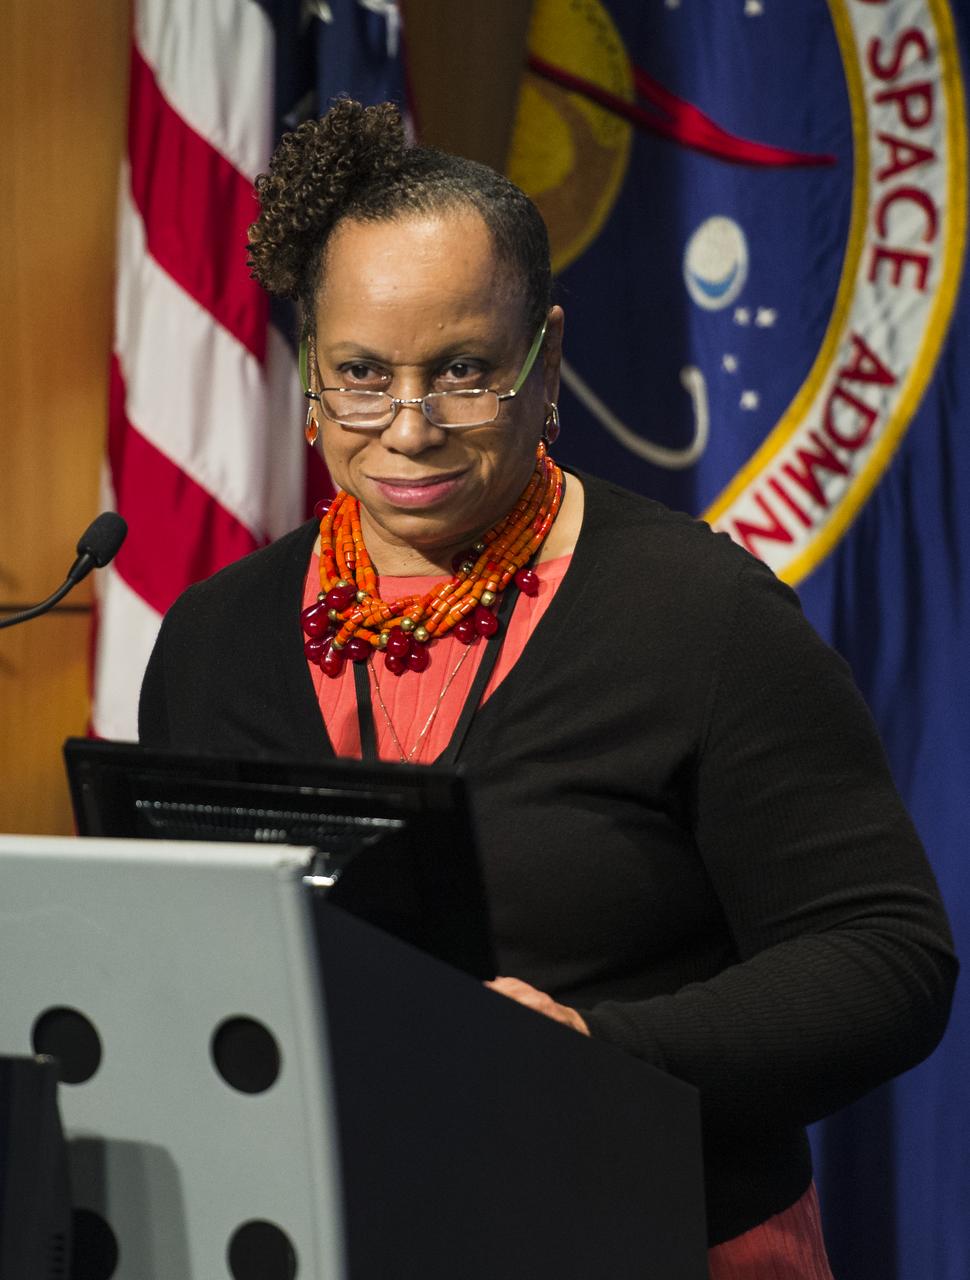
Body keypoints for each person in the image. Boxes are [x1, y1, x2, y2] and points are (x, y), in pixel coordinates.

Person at [138, 98, 956, 1275]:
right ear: (311, 369)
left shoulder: (701, 615)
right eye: (361, 375)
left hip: (653, 1232)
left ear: (547, 357)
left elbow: (886, 958)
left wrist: (597, 1044)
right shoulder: (213, 638)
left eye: (463, 370)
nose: (406, 427)